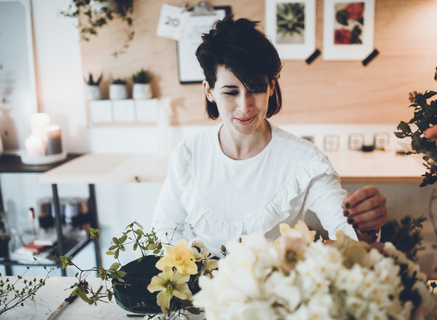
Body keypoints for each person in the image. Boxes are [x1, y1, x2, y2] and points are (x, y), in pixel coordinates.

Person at [152, 17, 387, 256]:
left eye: (255, 89)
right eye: (231, 92)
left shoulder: (305, 161)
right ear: (209, 91)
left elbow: (345, 232)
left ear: (271, 87)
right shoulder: (188, 154)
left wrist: (365, 224)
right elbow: (165, 228)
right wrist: (194, 273)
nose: (245, 106)